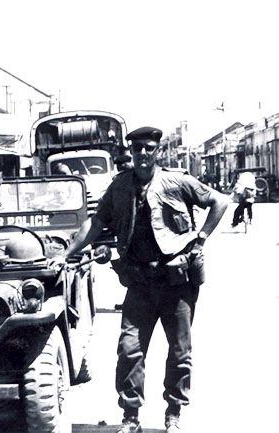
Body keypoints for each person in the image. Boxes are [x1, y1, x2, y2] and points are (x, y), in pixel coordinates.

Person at [51, 127, 228, 433]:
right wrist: (67, 254)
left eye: (148, 148)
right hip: (139, 283)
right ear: (130, 152)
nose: (142, 154)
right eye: (137, 149)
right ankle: (131, 418)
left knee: (179, 351)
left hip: (176, 282)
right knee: (129, 349)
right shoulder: (119, 186)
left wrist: (199, 241)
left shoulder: (177, 180)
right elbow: (95, 222)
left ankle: (173, 414)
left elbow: (219, 202)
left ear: (158, 150)